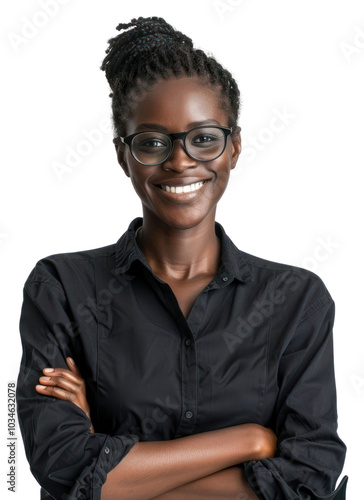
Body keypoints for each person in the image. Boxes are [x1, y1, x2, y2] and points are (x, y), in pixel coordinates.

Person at [16, 16, 348, 500]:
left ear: (233, 147)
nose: (180, 160)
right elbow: (62, 467)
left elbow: (308, 478)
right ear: (121, 155)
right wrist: (251, 440)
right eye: (151, 142)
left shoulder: (297, 300)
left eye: (204, 138)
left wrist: (115, 476)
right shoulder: (62, 288)